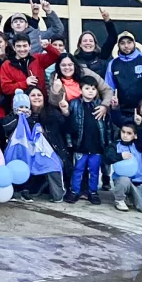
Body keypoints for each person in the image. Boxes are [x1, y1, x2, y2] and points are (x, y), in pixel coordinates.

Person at [59, 76, 117, 205]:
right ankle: (74, 191)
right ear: (80, 90)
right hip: (80, 145)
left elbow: (107, 126)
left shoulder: (101, 106)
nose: (90, 91)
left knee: (94, 171)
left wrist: (107, 143)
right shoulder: (74, 104)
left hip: (97, 146)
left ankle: (93, 192)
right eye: (87, 88)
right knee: (78, 169)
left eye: (93, 89)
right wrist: (70, 143)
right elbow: (69, 125)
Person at [3, 88, 66, 201]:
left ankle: (52, 193)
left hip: (34, 150)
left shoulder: (43, 115)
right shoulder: (12, 117)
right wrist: (18, 116)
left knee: (52, 164)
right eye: (21, 107)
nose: (23, 110)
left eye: (26, 107)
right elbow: (7, 126)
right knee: (13, 166)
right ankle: (11, 189)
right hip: (17, 150)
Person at [104, 31, 142, 120]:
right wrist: (112, 102)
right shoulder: (113, 63)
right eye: (122, 43)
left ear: (134, 43)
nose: (126, 46)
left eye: (129, 42)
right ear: (118, 46)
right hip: (124, 113)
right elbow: (109, 88)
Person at [47, 53, 113, 114]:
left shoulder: (85, 72)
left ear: (74, 65)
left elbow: (107, 90)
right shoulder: (55, 78)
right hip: (68, 115)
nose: (67, 68)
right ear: (59, 67)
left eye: (70, 65)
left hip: (93, 110)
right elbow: (54, 105)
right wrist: (55, 91)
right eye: (63, 65)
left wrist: (104, 106)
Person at [1, 33, 60, 99]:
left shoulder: (38, 59)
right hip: (20, 105)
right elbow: (6, 88)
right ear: (14, 48)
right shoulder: (7, 65)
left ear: (30, 47)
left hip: (40, 102)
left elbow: (58, 57)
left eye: (25, 46)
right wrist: (25, 83)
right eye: (19, 46)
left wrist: (48, 47)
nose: (22, 49)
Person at [112, 121, 142, 213]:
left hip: (138, 182)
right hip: (122, 179)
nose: (125, 135)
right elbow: (108, 157)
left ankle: (130, 197)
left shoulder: (138, 146)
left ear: (135, 136)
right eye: (123, 132)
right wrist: (120, 156)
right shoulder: (115, 145)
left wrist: (140, 125)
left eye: (129, 133)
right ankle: (119, 200)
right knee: (124, 180)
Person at [72, 8, 118, 75]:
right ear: (80, 44)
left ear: (95, 44)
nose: (88, 43)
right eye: (85, 41)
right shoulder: (74, 60)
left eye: (91, 41)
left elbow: (112, 37)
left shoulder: (102, 56)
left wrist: (107, 20)